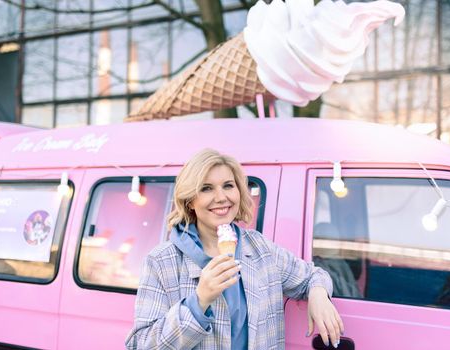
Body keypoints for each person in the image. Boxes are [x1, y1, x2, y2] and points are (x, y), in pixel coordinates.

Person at [125, 149, 343, 349]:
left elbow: (311, 276)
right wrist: (199, 300)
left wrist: (318, 294)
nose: (221, 197)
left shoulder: (260, 248)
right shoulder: (161, 261)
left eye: (228, 185)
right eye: (206, 188)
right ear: (190, 200)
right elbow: (141, 344)